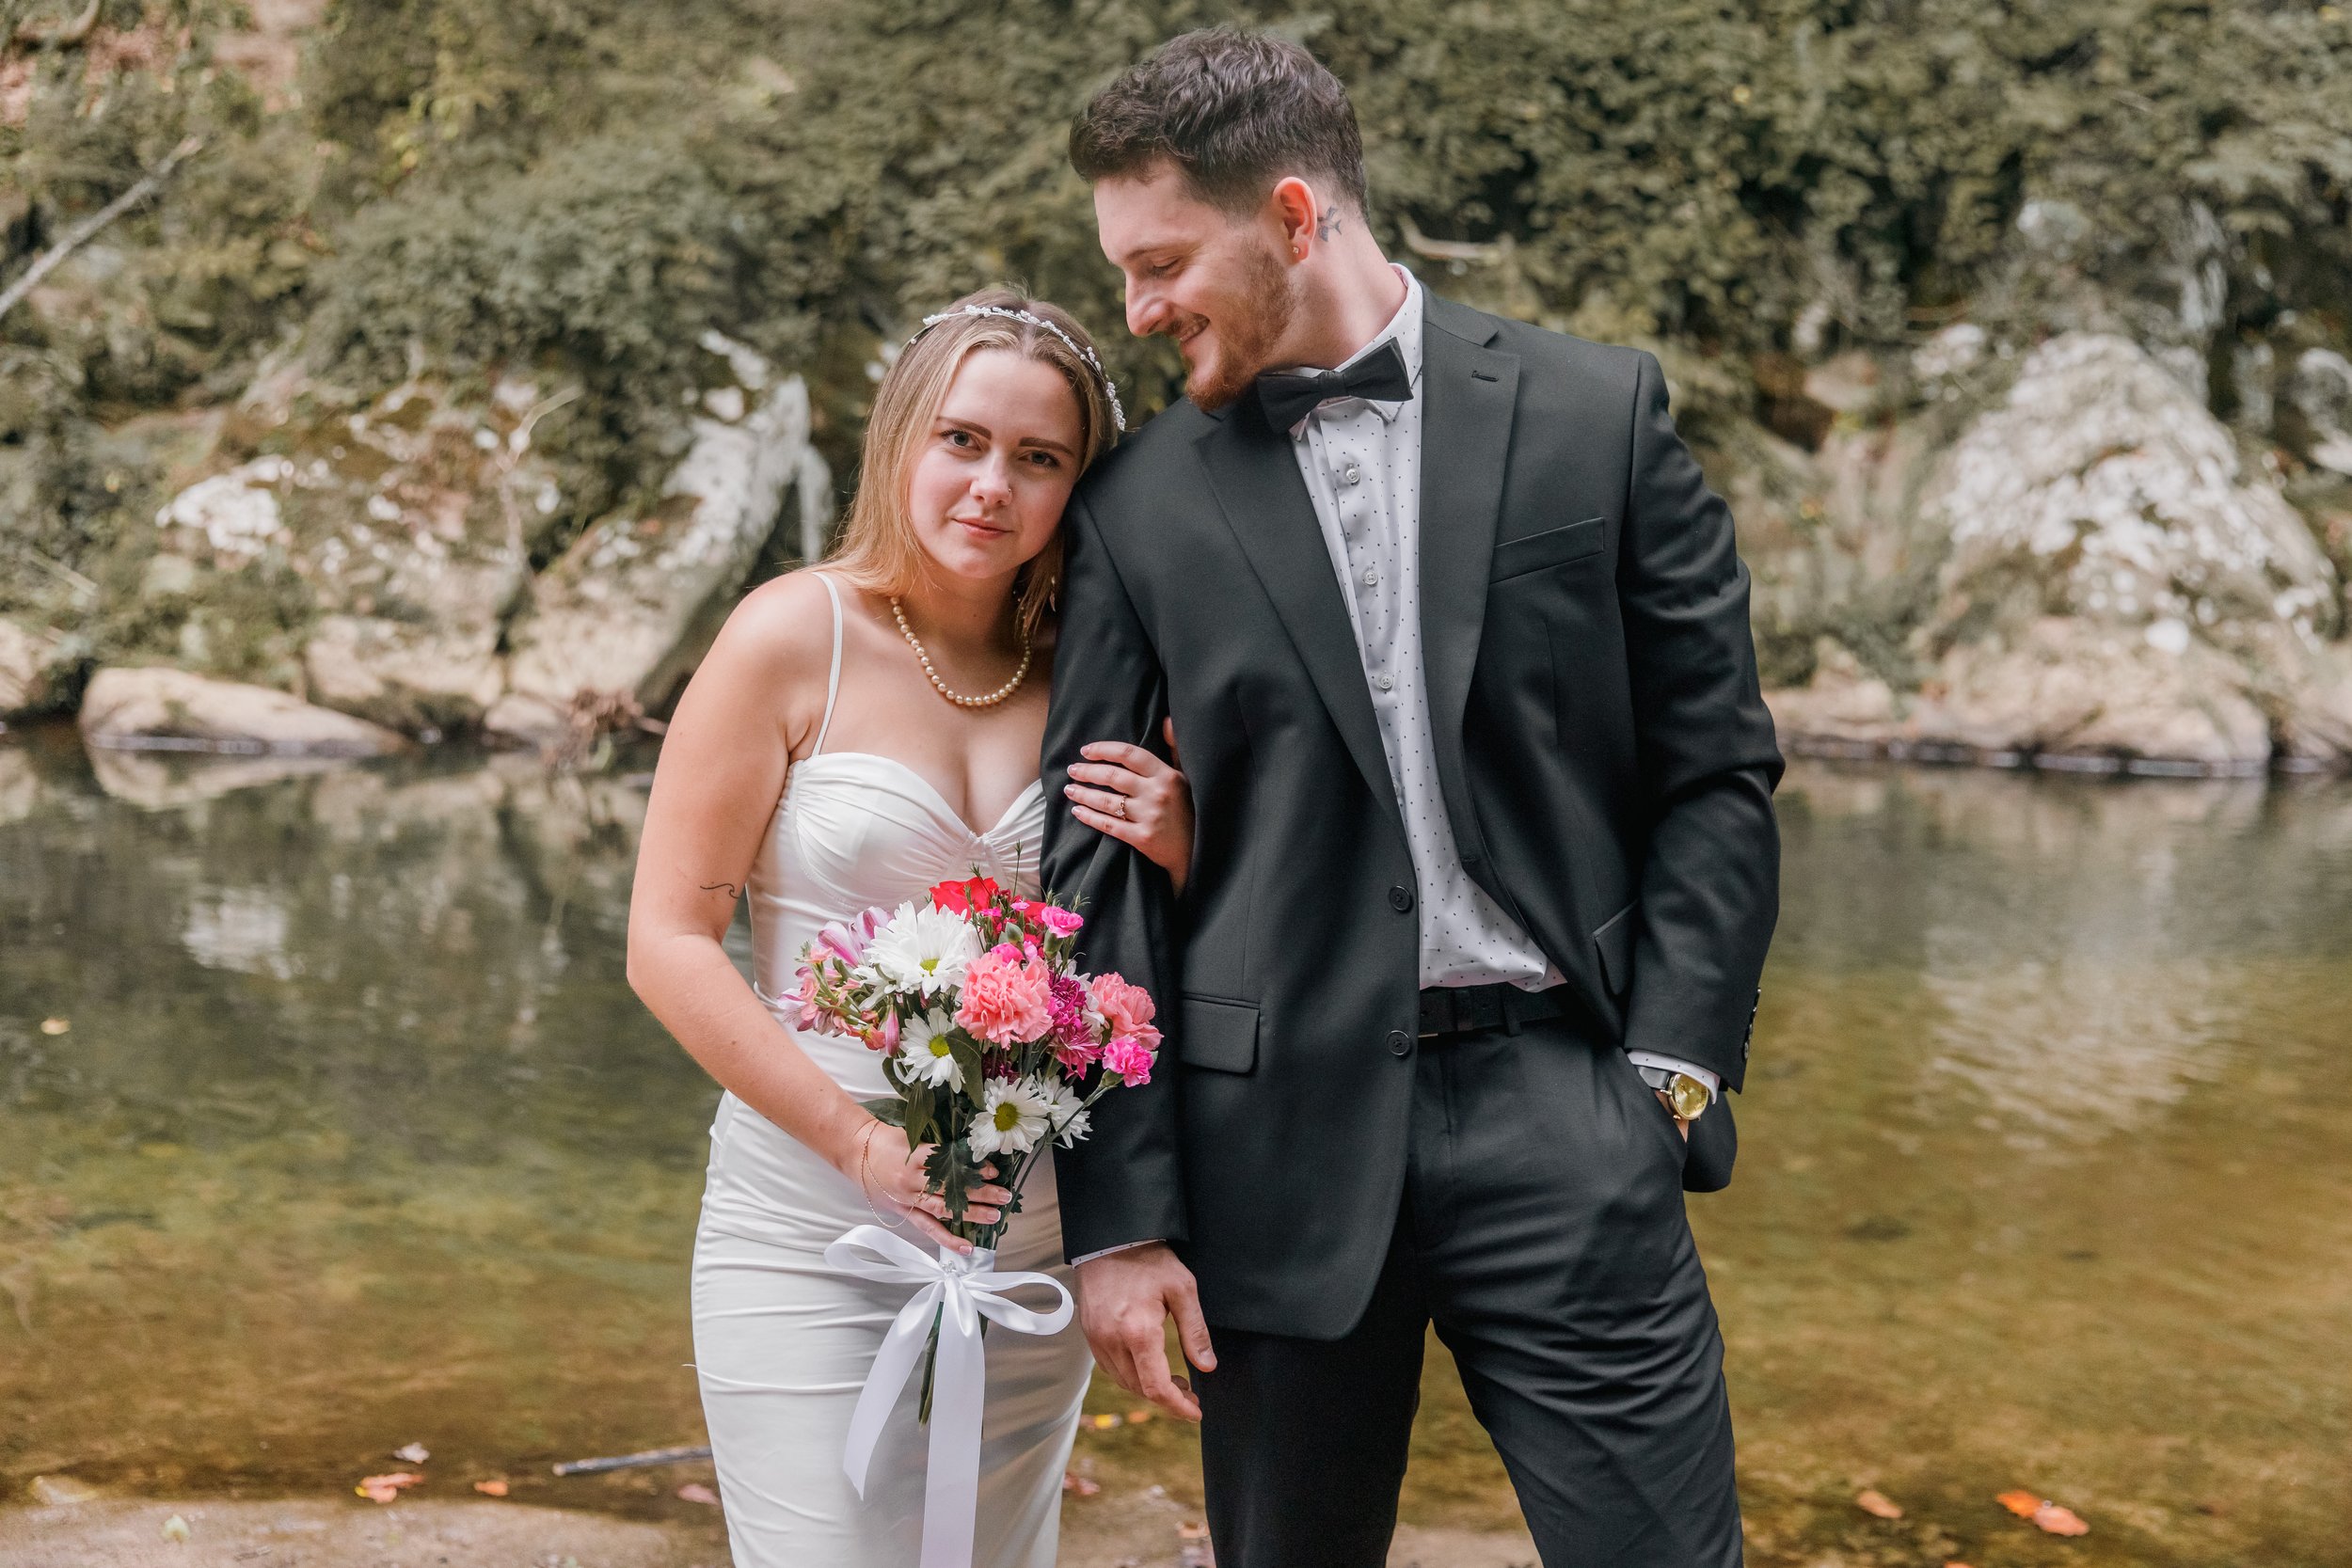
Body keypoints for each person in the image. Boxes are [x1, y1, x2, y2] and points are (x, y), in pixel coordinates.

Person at [1040, 28, 1783, 1568]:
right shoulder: (1135, 508)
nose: (1139, 309)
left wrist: (1672, 1079)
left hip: (1572, 1117)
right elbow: (1093, 873)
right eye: (1124, 270)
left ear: (1297, 218)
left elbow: (1715, 773)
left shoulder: (1601, 415)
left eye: (1165, 260)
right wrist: (1119, 1217)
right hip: (1271, 1153)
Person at [626, 289, 1193, 1568]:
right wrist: (863, 1148)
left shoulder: (1093, 672)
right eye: (962, 440)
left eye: (1039, 459)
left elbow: (1162, 956)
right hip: (812, 1223)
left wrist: (1184, 843)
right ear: (900, 443)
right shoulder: (790, 637)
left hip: (1028, 1231)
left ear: (1076, 488)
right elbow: (666, 939)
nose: (993, 485)